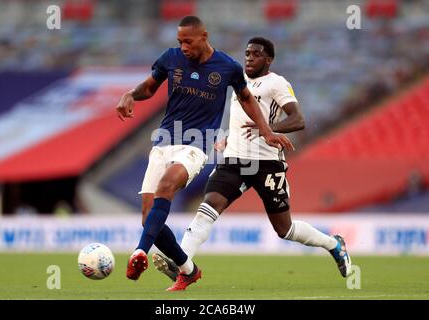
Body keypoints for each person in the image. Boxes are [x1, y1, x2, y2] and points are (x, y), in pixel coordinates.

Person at [152, 37, 352, 288]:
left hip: (266, 163)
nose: (249, 58)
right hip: (234, 160)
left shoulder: (277, 83)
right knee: (208, 208)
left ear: (268, 59)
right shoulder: (238, 80)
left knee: (285, 229)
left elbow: (298, 119)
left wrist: (266, 129)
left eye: (256, 54)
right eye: (247, 53)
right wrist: (226, 136)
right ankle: (184, 266)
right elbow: (236, 117)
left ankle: (334, 244)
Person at [116, 18, 294, 291]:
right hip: (164, 140)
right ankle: (189, 270)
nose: (184, 47)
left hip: (197, 143)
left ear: (203, 37)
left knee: (167, 186)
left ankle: (139, 252)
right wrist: (130, 94)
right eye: (180, 42)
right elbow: (149, 88)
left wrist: (267, 131)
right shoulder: (171, 58)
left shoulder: (227, 67)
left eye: (188, 41)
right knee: (148, 217)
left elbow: (247, 98)